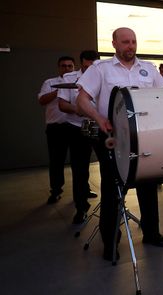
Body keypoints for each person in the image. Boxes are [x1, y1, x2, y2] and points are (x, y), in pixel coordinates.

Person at [77, 27, 163, 261]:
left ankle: (151, 232)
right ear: (114, 44)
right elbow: (81, 100)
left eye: (134, 41)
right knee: (112, 188)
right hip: (112, 136)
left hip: (145, 136)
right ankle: (110, 241)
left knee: (148, 184)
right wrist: (99, 119)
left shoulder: (148, 69)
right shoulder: (101, 69)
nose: (131, 46)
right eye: (126, 42)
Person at [57, 50, 99, 223]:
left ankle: (115, 205)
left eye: (93, 66)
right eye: (87, 65)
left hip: (99, 125)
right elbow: (62, 105)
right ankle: (81, 207)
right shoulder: (69, 78)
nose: (90, 69)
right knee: (79, 168)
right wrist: (78, 109)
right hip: (77, 127)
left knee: (108, 165)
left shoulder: (102, 75)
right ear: (81, 63)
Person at [38, 56, 75, 204]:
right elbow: (42, 100)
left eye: (69, 66)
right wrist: (60, 91)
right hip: (56, 128)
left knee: (79, 162)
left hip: (74, 127)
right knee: (56, 161)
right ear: (58, 67)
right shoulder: (50, 83)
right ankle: (56, 191)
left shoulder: (79, 82)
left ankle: (83, 189)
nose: (66, 68)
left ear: (74, 67)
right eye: (63, 66)